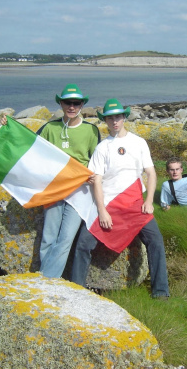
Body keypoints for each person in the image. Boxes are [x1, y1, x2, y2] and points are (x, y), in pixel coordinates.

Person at [71, 98, 170, 299]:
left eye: (118, 117)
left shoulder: (139, 142)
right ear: (105, 121)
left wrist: (149, 201)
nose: (114, 121)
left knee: (156, 241)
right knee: (83, 244)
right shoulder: (103, 147)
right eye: (110, 118)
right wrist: (102, 210)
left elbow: (151, 173)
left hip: (135, 204)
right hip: (108, 204)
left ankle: (161, 292)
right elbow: (96, 180)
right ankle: (76, 292)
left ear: (124, 117)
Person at [3, 83, 100, 278]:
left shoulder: (91, 131)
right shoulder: (49, 128)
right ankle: (48, 279)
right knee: (49, 236)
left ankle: (46, 279)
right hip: (53, 188)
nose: (71, 107)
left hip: (79, 191)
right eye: (67, 102)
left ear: (82, 105)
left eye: (76, 103)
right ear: (60, 104)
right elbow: (29, 147)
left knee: (65, 239)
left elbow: (96, 160)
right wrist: (10, 128)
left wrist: (93, 175)